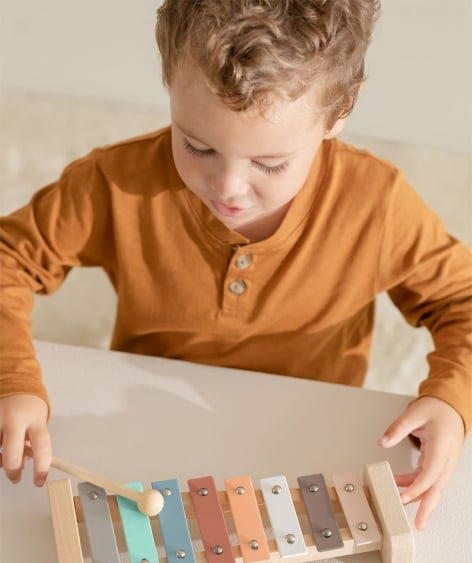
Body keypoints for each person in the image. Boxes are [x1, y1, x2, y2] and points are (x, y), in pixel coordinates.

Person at [0, 0, 470, 531]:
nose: (226, 187)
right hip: (148, 428)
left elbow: (463, 300)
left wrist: (452, 401)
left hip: (310, 439)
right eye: (196, 146)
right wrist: (12, 380)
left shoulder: (377, 207)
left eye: (270, 163)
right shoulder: (117, 182)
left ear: (339, 112)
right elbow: (8, 257)